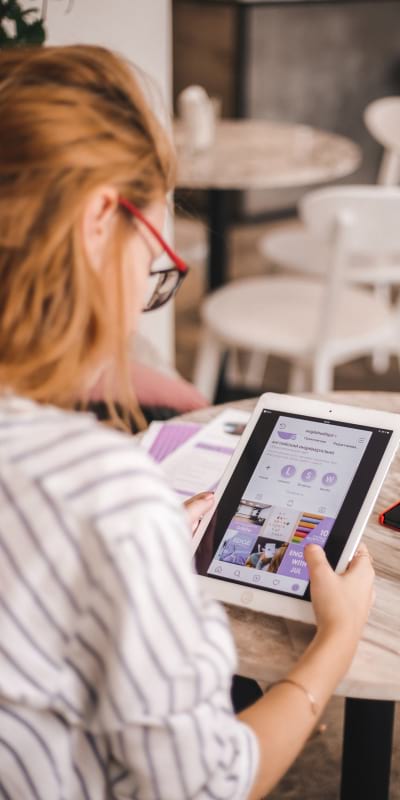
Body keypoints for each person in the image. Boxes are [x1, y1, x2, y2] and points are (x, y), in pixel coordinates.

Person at [0, 44, 374, 799]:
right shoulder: (97, 491)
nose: (144, 296)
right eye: (155, 262)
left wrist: (129, 552)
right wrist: (336, 642)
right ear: (101, 219)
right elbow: (205, 786)